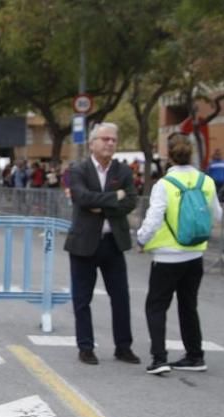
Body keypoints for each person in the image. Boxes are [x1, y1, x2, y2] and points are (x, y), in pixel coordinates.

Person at [137, 133, 222, 374]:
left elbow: (153, 219)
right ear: (191, 153)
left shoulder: (164, 185)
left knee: (156, 306)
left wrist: (141, 239)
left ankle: (159, 358)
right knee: (188, 306)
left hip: (166, 256)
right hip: (195, 255)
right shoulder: (206, 181)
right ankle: (195, 356)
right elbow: (218, 215)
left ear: (169, 155)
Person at [65, 122, 140, 365]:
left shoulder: (122, 171)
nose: (109, 143)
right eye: (105, 139)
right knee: (82, 299)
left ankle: (123, 347)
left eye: (113, 140)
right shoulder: (78, 169)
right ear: (92, 143)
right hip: (84, 243)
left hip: (113, 242)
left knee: (120, 298)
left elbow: (130, 201)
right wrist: (112, 198)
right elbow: (81, 197)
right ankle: (85, 347)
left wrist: (101, 204)